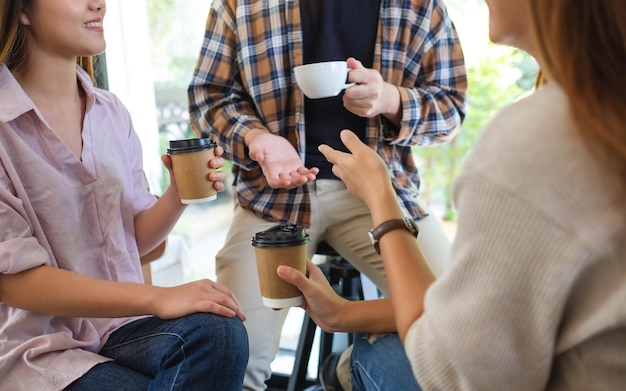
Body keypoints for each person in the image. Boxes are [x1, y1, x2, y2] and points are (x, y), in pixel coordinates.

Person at [278, 0, 626, 389]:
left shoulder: (536, 141)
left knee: (375, 355)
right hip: (274, 203)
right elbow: (481, 318)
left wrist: (381, 197)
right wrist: (342, 314)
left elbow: (449, 367)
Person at [188, 0, 467, 388]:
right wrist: (256, 137)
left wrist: (389, 100)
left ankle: (346, 370)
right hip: (272, 198)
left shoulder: (420, 6)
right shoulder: (241, 4)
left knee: (462, 317)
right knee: (234, 357)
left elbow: (451, 108)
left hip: (378, 195)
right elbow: (208, 96)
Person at [0, 1, 248, 389]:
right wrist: (157, 298)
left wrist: (177, 195)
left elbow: (137, 243)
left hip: (121, 331)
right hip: (39, 351)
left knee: (220, 332)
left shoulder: (111, 112)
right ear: (24, 10)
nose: (98, 3)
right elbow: (16, 283)